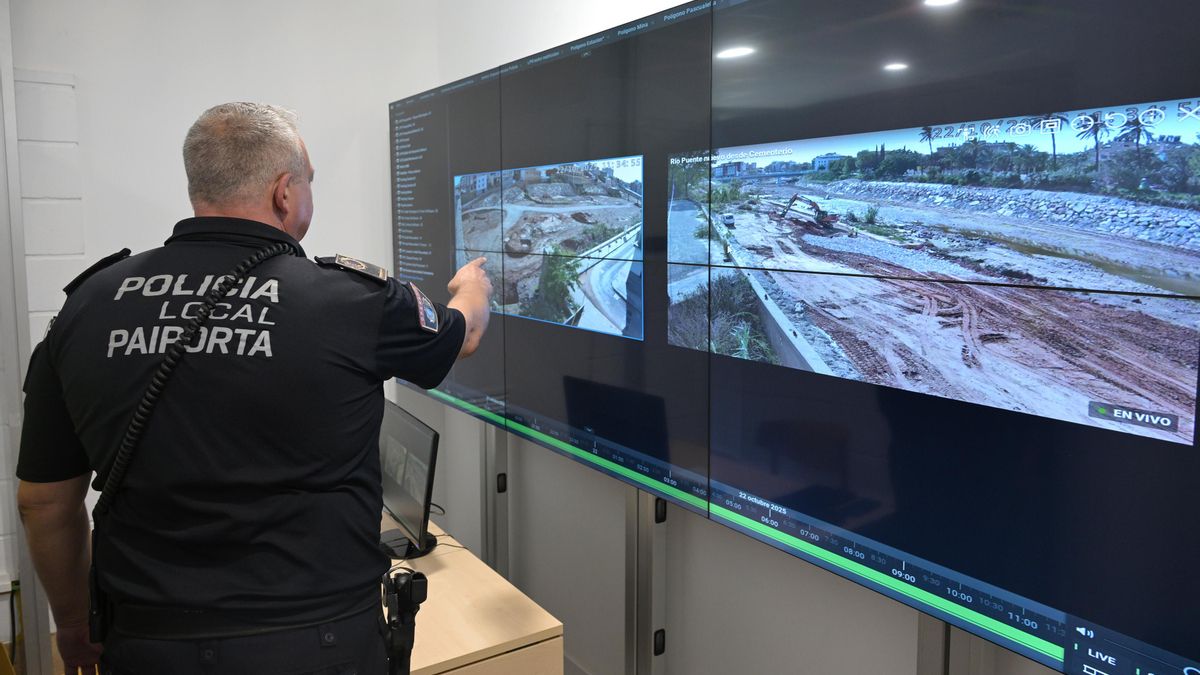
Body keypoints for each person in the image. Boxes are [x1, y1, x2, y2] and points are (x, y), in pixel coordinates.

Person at [15, 102, 492, 674]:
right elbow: (462, 334)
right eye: (309, 181)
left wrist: (73, 624)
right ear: (285, 192)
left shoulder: (89, 304)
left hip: (148, 642)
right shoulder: (351, 300)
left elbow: (44, 502)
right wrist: (471, 286)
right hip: (318, 643)